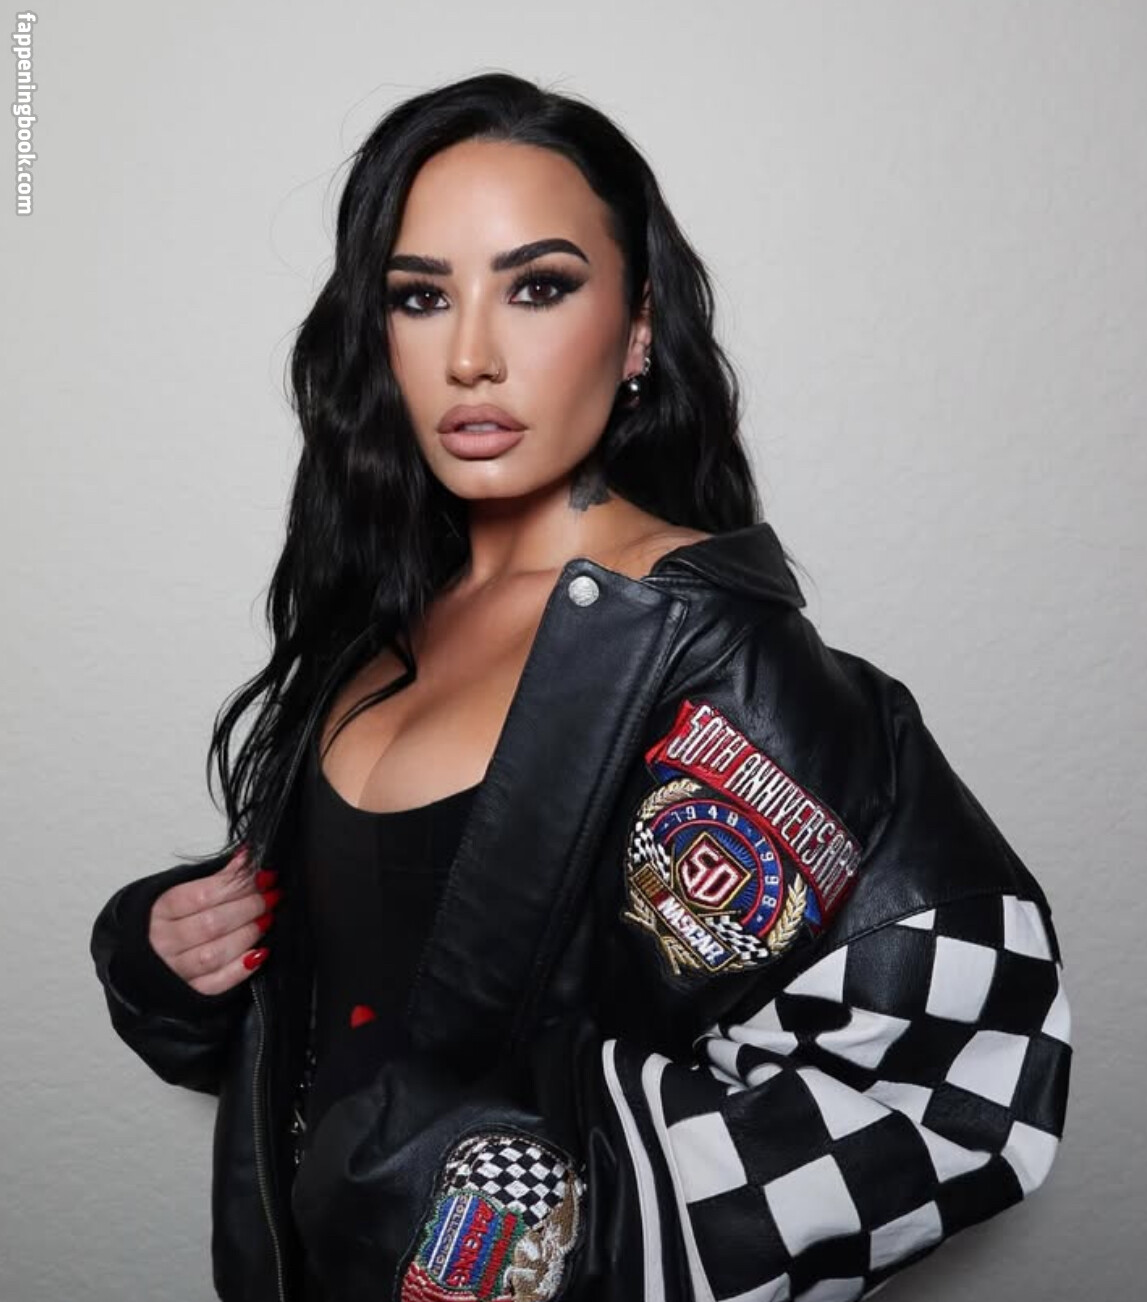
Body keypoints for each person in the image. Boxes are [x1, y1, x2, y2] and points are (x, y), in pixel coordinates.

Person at [90, 71, 1072, 1302]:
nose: (470, 356)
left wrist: (527, 1225)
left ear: (639, 326)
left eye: (538, 287)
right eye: (419, 296)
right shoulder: (379, 615)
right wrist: (164, 956)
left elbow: (954, 1092)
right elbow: (364, 1004)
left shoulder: (719, 660)